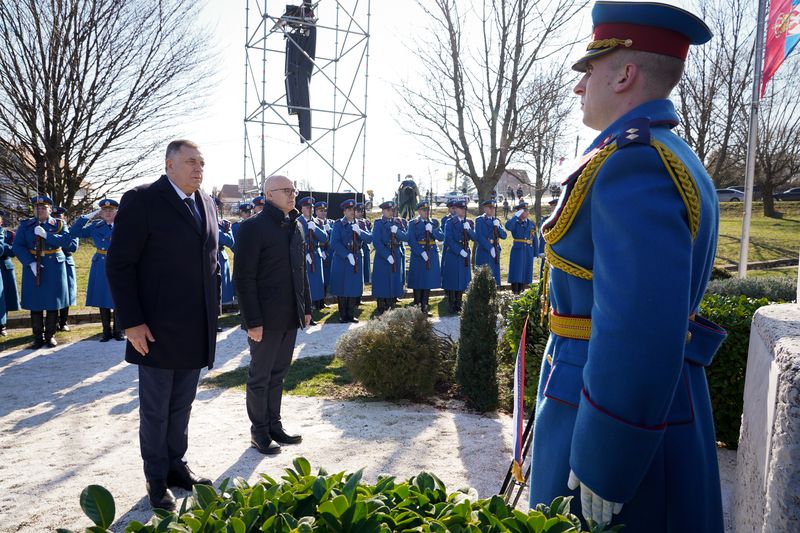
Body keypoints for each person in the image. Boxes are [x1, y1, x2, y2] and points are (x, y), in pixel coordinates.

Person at [528, 3, 726, 531]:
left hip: (606, 414)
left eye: (588, 70)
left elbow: (636, 328)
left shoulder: (633, 162)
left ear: (625, 74)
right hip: (638, 400)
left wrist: (606, 458)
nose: (579, 87)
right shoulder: (667, 153)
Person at [106, 139, 219, 511]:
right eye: (190, 162)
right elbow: (120, 264)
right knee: (156, 409)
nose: (198, 169)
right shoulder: (143, 199)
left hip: (194, 326)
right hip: (154, 328)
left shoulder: (206, 203)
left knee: (182, 405)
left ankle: (175, 466)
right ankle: (156, 479)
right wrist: (132, 323)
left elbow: (210, 264)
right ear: (169, 165)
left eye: (201, 162)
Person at [233, 175, 312, 455]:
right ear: (268, 194)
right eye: (286, 190)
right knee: (260, 376)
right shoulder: (252, 228)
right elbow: (243, 278)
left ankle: (274, 425)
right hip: (264, 319)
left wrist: (306, 308)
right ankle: (259, 432)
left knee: (278, 374)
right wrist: (252, 321)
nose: (293, 195)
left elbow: (299, 270)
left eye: (294, 189)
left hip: (290, 314)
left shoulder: (295, 225)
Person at [12, 196, 72, 348]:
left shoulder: (59, 224)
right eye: (36, 208)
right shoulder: (26, 225)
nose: (39, 210)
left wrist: (47, 235)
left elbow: (67, 241)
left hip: (54, 267)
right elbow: (17, 246)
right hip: (33, 265)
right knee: (35, 302)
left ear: (50, 210)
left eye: (43, 207)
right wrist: (30, 262)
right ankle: (37, 337)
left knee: (53, 302)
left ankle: (50, 336)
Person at [70, 199, 125, 342]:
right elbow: (74, 232)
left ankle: (119, 330)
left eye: (111, 210)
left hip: (119, 262)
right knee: (102, 297)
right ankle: (106, 331)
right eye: (104, 210)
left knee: (119, 296)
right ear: (100, 213)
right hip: (101, 262)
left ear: (116, 212)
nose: (107, 213)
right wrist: (87, 217)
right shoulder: (95, 226)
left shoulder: (124, 224)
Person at [329, 199, 372, 323]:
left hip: (356, 257)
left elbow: (369, 239)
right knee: (341, 287)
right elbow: (334, 243)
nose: (352, 212)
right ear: (344, 211)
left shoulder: (360, 224)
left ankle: (351, 313)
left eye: (354, 209)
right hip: (342, 259)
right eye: (349, 210)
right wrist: (347, 254)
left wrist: (359, 231)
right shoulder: (338, 224)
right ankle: (343, 314)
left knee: (353, 287)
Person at [406, 200, 443, 316]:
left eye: (427, 210)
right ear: (419, 211)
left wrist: (432, 230)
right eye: (423, 210)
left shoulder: (434, 223)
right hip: (418, 255)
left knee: (427, 281)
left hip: (431, 254)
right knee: (418, 281)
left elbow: (441, 237)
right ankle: (417, 308)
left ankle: (425, 307)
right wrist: (421, 252)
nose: (426, 212)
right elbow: (411, 240)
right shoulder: (413, 223)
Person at [371, 201, 406, 314]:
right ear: (383, 211)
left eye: (392, 210)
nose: (391, 212)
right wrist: (387, 255)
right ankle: (381, 307)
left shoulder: (397, 222)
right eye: (388, 210)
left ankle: (391, 305)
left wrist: (397, 231)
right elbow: (377, 242)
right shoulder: (378, 224)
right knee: (382, 282)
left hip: (395, 253)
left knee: (393, 281)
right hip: (383, 256)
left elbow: (406, 237)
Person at [441, 200, 475, 313]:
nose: (463, 211)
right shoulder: (450, 222)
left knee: (462, 279)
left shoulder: (469, 222)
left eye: (465, 209)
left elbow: (475, 238)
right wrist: (459, 251)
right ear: (457, 210)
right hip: (454, 254)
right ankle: (452, 304)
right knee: (452, 279)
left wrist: (469, 230)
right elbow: (449, 240)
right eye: (461, 209)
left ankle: (459, 304)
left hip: (465, 253)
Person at [297, 196, 328, 321]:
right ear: (302, 208)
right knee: (305, 286)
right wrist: (304, 254)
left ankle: (312, 311)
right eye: (307, 207)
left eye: (311, 207)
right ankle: (304, 312)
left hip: (315, 254)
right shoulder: (297, 221)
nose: (309, 210)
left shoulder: (317, 222)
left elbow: (324, 238)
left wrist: (314, 228)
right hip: (303, 256)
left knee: (315, 286)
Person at [52, 206, 79, 331]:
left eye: (59, 216)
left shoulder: (70, 230)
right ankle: (53, 322)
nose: (57, 218)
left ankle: (63, 321)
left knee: (66, 292)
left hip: (66, 261)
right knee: (53, 292)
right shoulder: (48, 229)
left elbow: (73, 247)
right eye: (55, 216)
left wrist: (57, 241)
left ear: (65, 218)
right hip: (52, 263)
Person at [505, 201, 537, 294]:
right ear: (519, 212)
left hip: (528, 250)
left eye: (527, 210)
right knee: (516, 272)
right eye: (524, 210)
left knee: (525, 272)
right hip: (518, 250)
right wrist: (515, 216)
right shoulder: (515, 223)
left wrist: (535, 254)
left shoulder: (531, 224)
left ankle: (522, 292)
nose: (527, 212)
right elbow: (508, 227)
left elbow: (534, 239)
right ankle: (515, 292)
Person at [474, 200, 507, 285]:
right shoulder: (479, 220)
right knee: (484, 276)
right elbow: (479, 237)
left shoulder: (496, 220)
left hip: (495, 250)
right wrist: (490, 248)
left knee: (494, 274)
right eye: (490, 208)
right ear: (485, 209)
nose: (492, 210)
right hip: (484, 251)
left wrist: (498, 227)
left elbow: (504, 236)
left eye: (493, 208)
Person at [0, 211, 19, 336]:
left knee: (4, 297)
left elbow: (14, 251)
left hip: (4, 267)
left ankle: (2, 325)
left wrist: (5, 246)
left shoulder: (9, 234)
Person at [314, 200, 332, 308]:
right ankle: (316, 303)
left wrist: (330, 230)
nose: (323, 213)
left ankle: (323, 300)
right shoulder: (314, 222)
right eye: (321, 210)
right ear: (316, 211)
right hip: (319, 251)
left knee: (326, 278)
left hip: (329, 252)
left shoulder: (330, 222)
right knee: (318, 279)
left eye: (325, 210)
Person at [355, 202, 372, 287]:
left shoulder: (364, 222)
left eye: (362, 211)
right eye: (358, 211)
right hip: (355, 248)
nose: (361, 213)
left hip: (364, 247)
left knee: (365, 269)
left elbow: (369, 235)